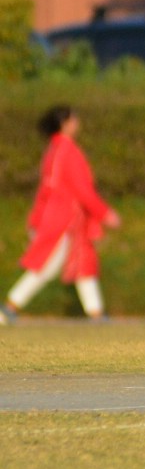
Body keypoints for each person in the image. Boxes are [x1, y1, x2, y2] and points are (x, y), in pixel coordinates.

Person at [1, 106, 120, 324]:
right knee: (47, 264)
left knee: (83, 260)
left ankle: (96, 312)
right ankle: (9, 308)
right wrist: (104, 213)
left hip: (58, 215)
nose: (77, 123)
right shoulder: (67, 150)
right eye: (74, 119)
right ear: (65, 124)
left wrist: (36, 218)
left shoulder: (54, 149)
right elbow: (82, 189)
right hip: (63, 218)